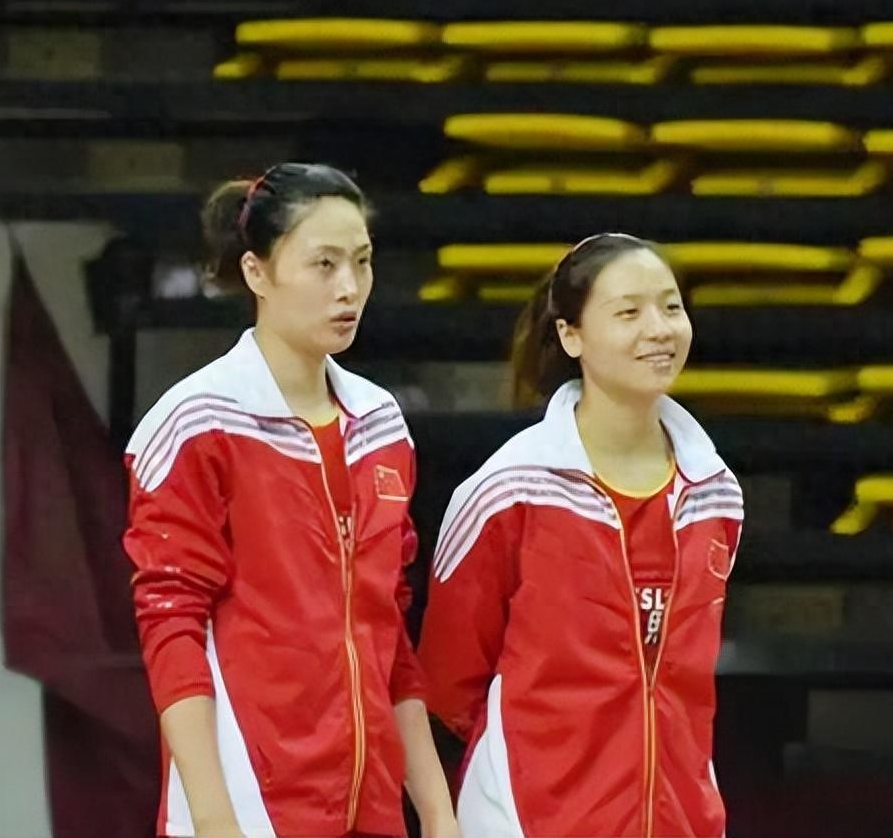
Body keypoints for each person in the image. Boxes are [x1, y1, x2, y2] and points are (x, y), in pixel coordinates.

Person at [123, 163, 457, 838]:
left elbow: (388, 634)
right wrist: (214, 816)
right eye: (323, 264)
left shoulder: (381, 425)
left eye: (362, 262)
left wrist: (437, 812)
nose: (349, 288)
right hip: (250, 805)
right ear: (256, 272)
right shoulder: (196, 423)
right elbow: (171, 625)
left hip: (370, 808)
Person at [418, 233, 744, 837]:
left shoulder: (714, 490)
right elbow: (448, 680)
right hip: (527, 818)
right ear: (571, 335)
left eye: (671, 307)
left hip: (681, 819)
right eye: (629, 312)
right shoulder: (509, 490)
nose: (659, 329)